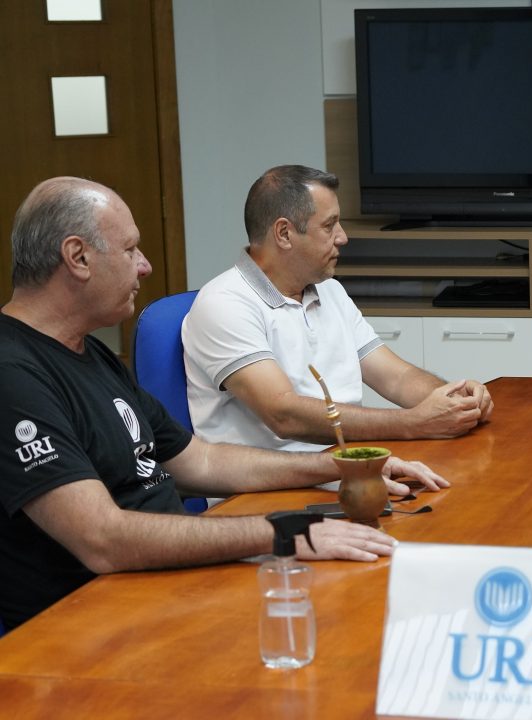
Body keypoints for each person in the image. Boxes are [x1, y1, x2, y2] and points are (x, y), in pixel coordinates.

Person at [0, 177, 442, 630]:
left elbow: (201, 461)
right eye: (130, 250)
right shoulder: (13, 374)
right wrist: (283, 532)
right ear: (77, 257)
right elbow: (103, 539)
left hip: (163, 585)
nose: (145, 266)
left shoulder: (89, 353)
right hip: (91, 620)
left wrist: (340, 465)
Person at [183, 166, 493, 464]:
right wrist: (413, 423)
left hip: (346, 464)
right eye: (329, 225)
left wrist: (455, 400)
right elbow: (283, 414)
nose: (343, 237)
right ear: (284, 233)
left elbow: (396, 378)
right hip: (271, 484)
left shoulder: (329, 290)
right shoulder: (224, 304)